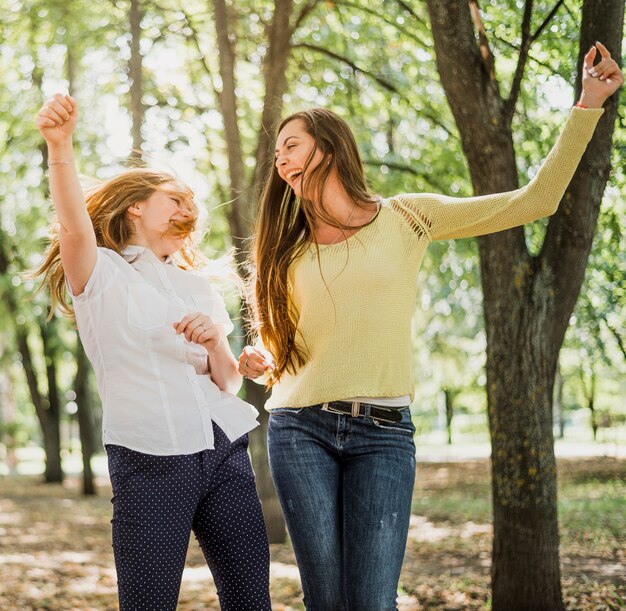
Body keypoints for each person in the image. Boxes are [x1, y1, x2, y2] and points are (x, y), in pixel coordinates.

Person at [238, 42, 623, 610]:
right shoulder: (286, 248)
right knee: (327, 601)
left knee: (372, 602)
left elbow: (534, 201)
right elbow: (285, 344)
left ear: (329, 145)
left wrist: (588, 103)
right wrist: (260, 357)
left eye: (290, 145)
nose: (281, 160)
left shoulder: (407, 217)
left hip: (385, 434)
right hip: (300, 431)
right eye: (275, 155)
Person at [35, 94, 272, 611]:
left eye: (192, 203)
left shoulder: (198, 288)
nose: (188, 209)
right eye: (176, 198)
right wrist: (60, 145)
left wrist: (214, 340)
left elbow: (228, 383)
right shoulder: (100, 273)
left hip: (224, 449)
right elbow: (75, 224)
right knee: (148, 603)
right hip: (148, 456)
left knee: (251, 600)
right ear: (135, 205)